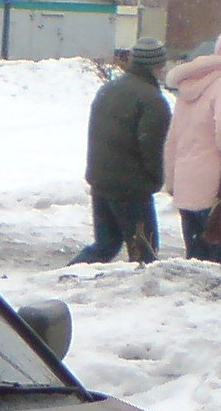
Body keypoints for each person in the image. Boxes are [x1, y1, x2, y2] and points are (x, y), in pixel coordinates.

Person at [70, 36, 171, 265]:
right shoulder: (152, 100)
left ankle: (67, 276)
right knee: (145, 252)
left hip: (101, 182)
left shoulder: (108, 90)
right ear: (156, 66)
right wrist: (155, 179)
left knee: (105, 245)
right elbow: (152, 147)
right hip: (131, 189)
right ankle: (142, 290)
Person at [164, 27, 221, 266]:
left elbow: (174, 137)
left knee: (196, 262)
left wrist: (171, 180)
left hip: (186, 183)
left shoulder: (188, 85)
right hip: (214, 189)